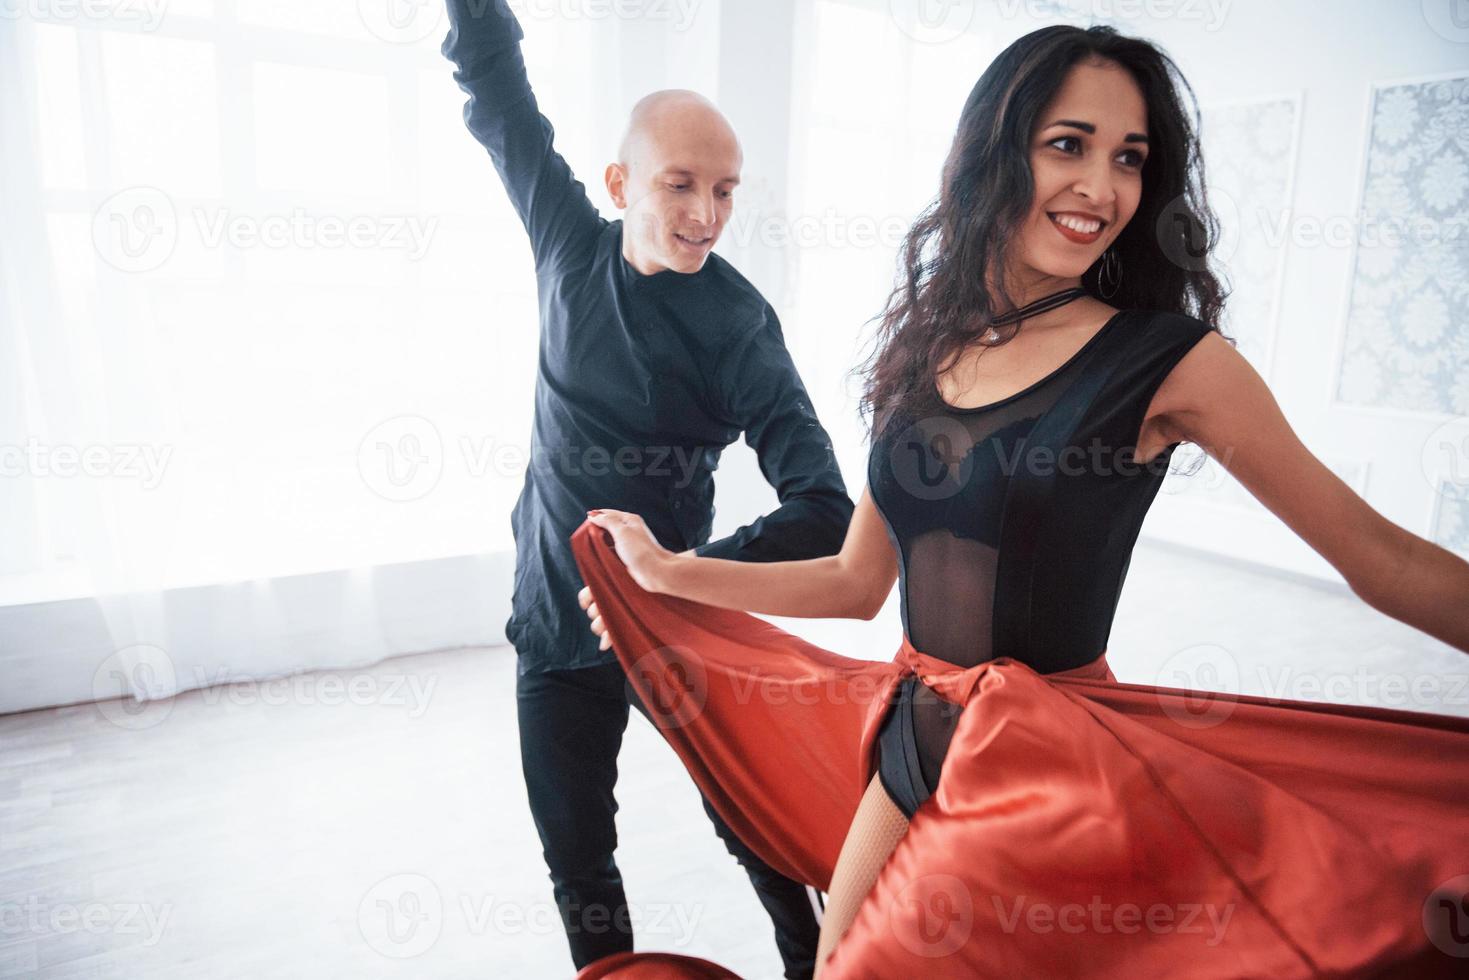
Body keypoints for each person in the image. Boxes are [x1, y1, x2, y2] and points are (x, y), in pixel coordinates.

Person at [573, 22, 1469, 979]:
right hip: (907, 739)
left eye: (1129, 158)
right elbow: (855, 580)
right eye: (1067, 144)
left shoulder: (1172, 363)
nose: (1102, 188)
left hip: (1045, 768)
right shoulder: (923, 349)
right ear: (994, 155)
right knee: (835, 962)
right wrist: (670, 575)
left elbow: (1385, 560)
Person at [439, 2, 856, 975]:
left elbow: (826, 509)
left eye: (724, 190)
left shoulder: (736, 324)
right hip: (551, 621)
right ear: (622, 182)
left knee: (750, 820)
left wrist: (677, 571)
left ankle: (815, 966)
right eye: (680, 185)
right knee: (576, 854)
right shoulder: (567, 246)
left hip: (672, 621)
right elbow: (496, 91)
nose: (706, 215)